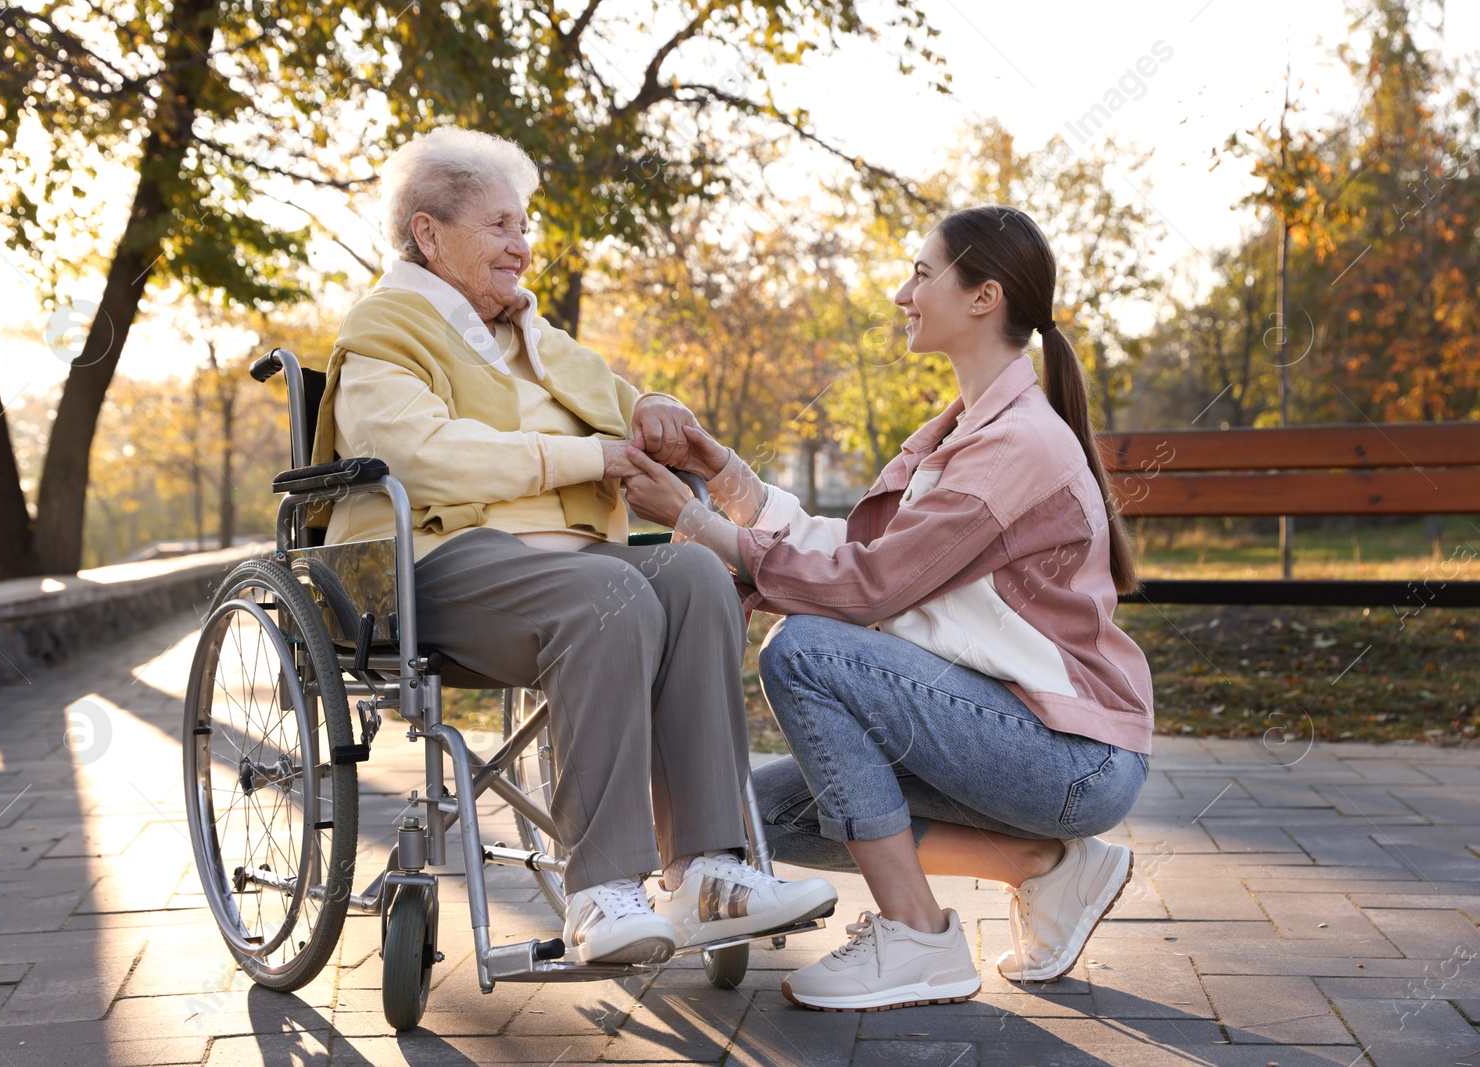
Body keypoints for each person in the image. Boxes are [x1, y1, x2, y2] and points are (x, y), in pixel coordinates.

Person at [312, 127, 835, 966]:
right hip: (435, 565)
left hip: (566, 565)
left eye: (525, 227)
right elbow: (419, 455)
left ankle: (709, 871)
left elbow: (622, 402)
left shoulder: (531, 335)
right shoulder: (385, 330)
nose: (523, 247)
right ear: (427, 233)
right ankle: (599, 890)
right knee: (613, 595)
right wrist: (587, 457)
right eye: (500, 227)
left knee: (697, 573)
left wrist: (657, 404)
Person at [621, 205, 1153, 1011]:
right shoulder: (961, 430)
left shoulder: (1018, 446)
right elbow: (860, 551)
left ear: (984, 298)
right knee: (760, 816)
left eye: (920, 273)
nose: (904, 292)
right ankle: (1045, 868)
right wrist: (725, 477)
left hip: (1071, 753)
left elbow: (871, 587)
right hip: (1007, 728)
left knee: (803, 651)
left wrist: (697, 523)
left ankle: (918, 936)